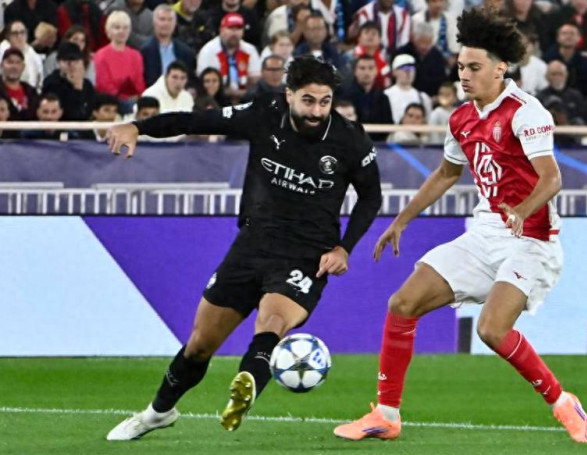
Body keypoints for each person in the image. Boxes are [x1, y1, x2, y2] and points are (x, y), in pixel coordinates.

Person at [333, 8, 587, 444]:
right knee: (403, 303)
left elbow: (552, 179)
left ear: (500, 68)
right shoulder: (461, 118)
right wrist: (402, 220)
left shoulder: (526, 112)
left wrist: (522, 209)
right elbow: (446, 174)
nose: (464, 76)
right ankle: (386, 415)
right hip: (484, 234)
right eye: (460, 68)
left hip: (531, 240)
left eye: (474, 67)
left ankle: (563, 401)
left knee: (491, 330)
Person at [104, 56, 382, 441]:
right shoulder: (264, 113)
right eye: (308, 100)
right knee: (200, 345)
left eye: (325, 101)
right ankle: (157, 413)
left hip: (307, 255)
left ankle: (246, 384)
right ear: (289, 95)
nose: (317, 111)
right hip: (251, 245)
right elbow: (196, 121)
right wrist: (138, 126)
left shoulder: (351, 140)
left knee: (272, 322)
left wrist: (344, 248)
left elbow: (371, 197)